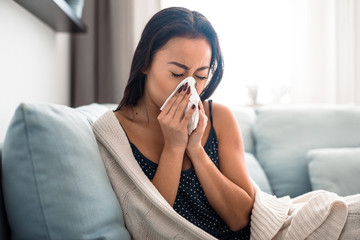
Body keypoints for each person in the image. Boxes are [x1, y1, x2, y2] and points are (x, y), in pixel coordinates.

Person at [112, 6, 254, 240]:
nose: (190, 88)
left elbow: (240, 219)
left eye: (200, 76)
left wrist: (196, 149)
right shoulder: (117, 131)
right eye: (178, 74)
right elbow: (150, 230)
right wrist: (174, 147)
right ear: (145, 63)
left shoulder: (220, 117)